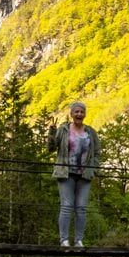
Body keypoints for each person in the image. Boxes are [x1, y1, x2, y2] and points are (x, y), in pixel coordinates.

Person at [48, 101, 99, 248]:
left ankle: (78, 241)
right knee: (66, 206)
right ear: (71, 114)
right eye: (76, 112)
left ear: (85, 114)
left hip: (85, 175)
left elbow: (97, 152)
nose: (79, 114)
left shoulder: (91, 132)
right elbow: (51, 148)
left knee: (81, 208)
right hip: (66, 173)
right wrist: (52, 132)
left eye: (82, 112)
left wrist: (94, 168)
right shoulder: (63, 130)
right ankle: (64, 240)